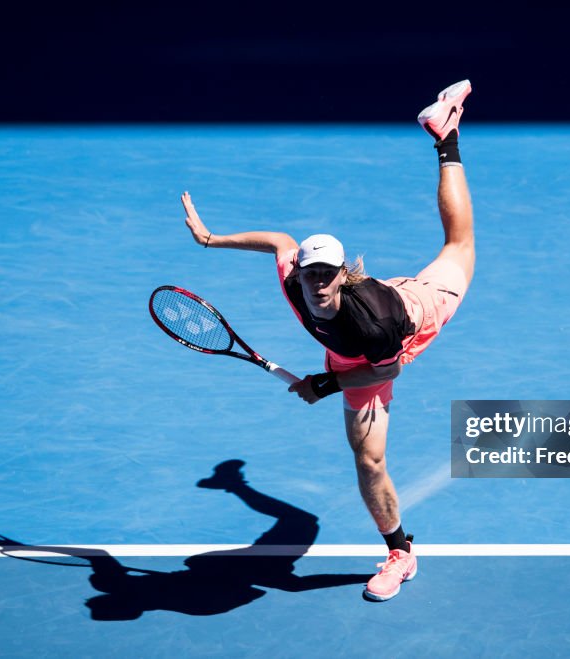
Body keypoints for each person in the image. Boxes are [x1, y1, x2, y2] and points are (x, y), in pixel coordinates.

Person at [180, 80, 475, 601]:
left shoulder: (376, 323)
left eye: (326, 273)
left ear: (342, 274)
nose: (316, 281)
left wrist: (326, 383)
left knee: (458, 246)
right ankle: (400, 552)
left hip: (410, 318)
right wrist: (210, 239)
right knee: (369, 460)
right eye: (311, 272)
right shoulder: (296, 277)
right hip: (346, 356)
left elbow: (389, 370)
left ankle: (445, 135)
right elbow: (280, 242)